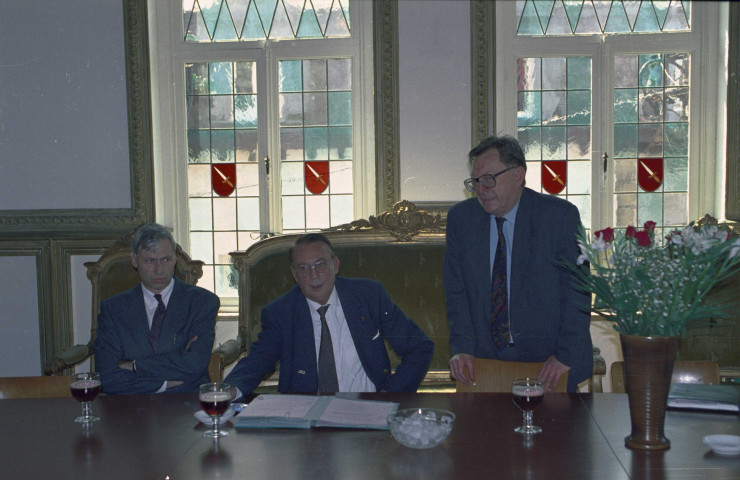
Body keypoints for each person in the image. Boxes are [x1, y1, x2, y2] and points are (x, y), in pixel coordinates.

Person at [444, 135, 592, 392]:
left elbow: (577, 292)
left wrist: (565, 355)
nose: (481, 189)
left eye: (489, 179)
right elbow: (456, 293)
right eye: (476, 181)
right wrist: (462, 348)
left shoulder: (559, 218)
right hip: (483, 363)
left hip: (548, 363)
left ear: (518, 175)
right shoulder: (462, 220)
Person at [225, 233, 434, 398]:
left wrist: (391, 394)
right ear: (294, 274)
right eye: (303, 268)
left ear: (335, 265)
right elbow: (259, 359)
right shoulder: (280, 312)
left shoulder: (368, 296)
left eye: (320, 265)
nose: (313, 275)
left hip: (367, 406)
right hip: (306, 412)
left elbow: (419, 346)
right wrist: (229, 390)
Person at [95, 223, 220, 394]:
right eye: (150, 261)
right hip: (131, 407)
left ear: (175, 258)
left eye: (166, 260)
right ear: (134, 260)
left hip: (186, 405)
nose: (158, 269)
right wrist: (162, 384)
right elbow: (108, 378)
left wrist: (134, 366)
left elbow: (194, 365)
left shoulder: (202, 302)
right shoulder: (114, 309)